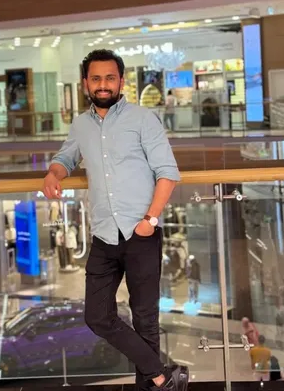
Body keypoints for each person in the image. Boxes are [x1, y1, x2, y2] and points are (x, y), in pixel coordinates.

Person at [43, 49, 187, 391]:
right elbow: (66, 157)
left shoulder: (143, 119)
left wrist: (150, 220)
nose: (103, 85)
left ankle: (154, 385)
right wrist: (53, 172)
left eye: (110, 78)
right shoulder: (81, 124)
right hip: (104, 235)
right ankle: (163, 377)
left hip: (141, 232)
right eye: (96, 78)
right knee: (97, 316)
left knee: (145, 320)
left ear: (121, 81)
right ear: (85, 84)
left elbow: (167, 174)